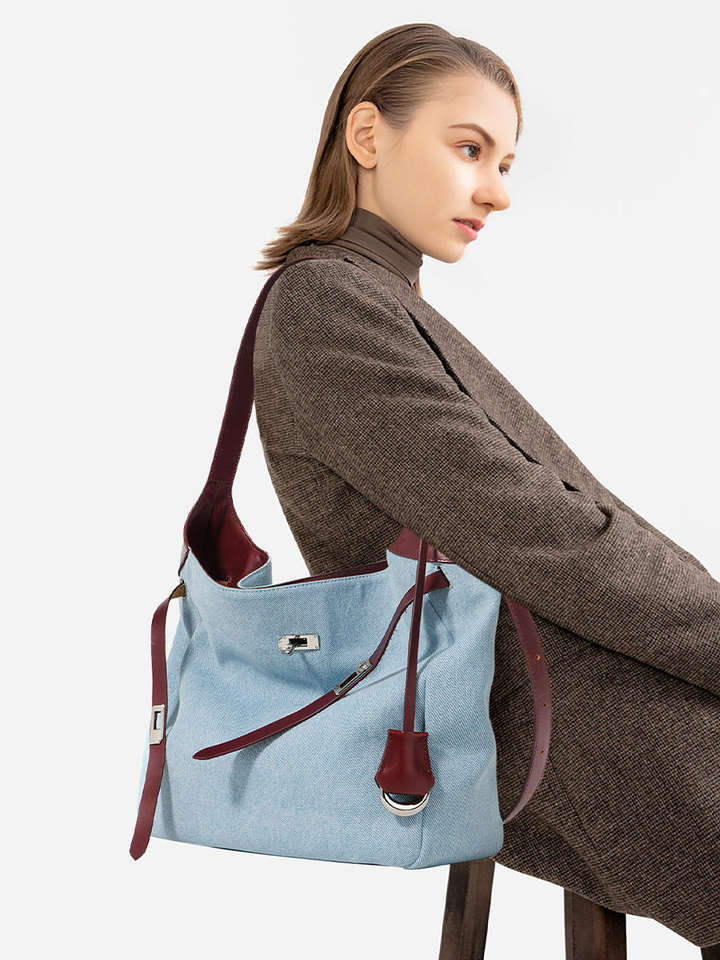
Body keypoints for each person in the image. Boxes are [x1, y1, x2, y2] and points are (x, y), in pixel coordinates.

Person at [252, 22, 720, 948]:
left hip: (575, 680)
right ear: (368, 135)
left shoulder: (379, 299)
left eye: (505, 163)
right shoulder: (327, 305)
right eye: (470, 150)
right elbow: (540, 532)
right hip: (540, 707)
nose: (499, 191)